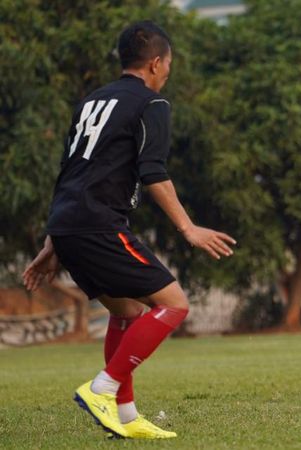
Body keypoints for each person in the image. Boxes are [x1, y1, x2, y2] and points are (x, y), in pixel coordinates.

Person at [21, 21, 236, 439]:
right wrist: (188, 228)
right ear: (155, 63)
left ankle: (125, 415)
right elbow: (153, 172)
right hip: (98, 223)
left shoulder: (90, 102)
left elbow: (70, 171)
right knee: (174, 304)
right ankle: (103, 387)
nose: (168, 72)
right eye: (169, 64)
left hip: (69, 223)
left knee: (127, 310)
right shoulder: (152, 103)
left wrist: (53, 240)